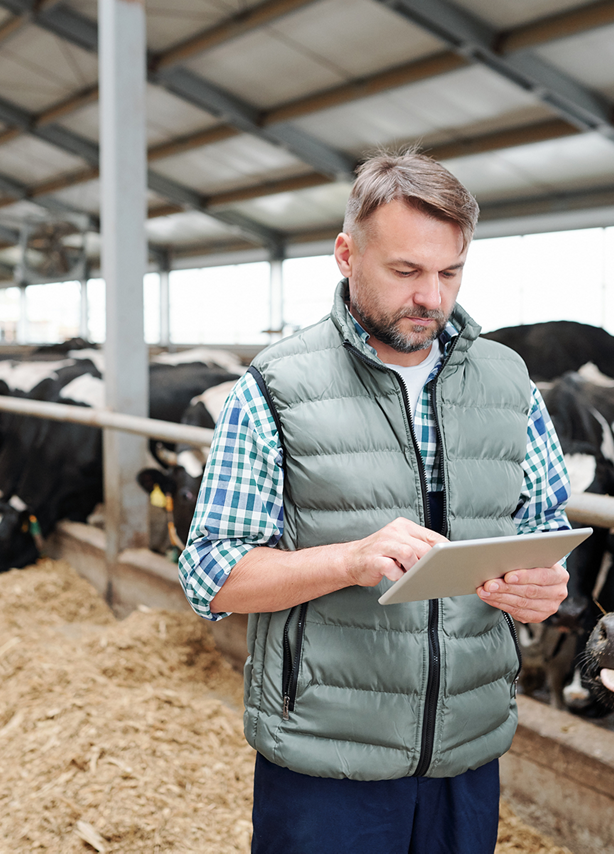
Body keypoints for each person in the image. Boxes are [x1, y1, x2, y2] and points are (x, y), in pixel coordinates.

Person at [177, 150, 572, 854]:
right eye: (405, 271)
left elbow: (545, 527)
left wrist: (544, 586)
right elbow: (211, 573)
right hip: (329, 760)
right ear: (345, 254)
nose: (432, 297)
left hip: (468, 751)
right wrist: (348, 559)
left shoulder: (509, 382)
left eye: (450, 272)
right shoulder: (276, 387)